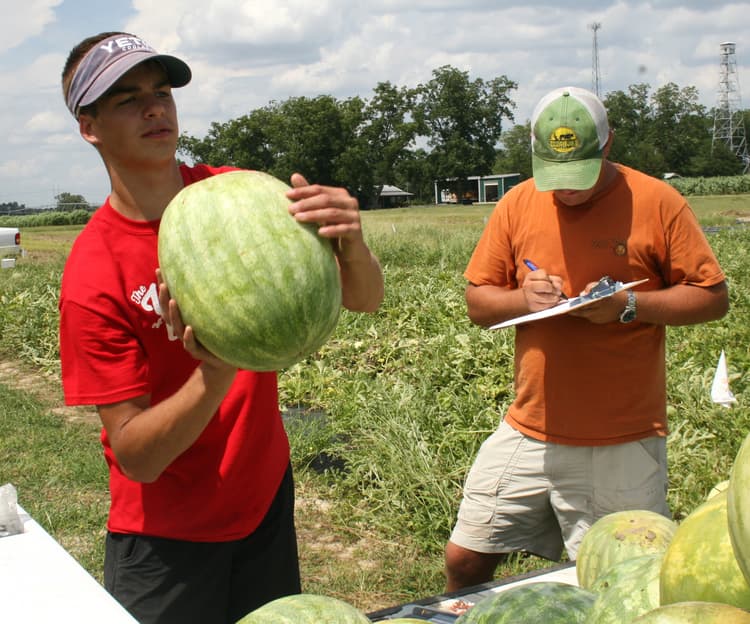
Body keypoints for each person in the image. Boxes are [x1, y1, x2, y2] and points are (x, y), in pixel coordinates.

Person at [58, 32, 384, 624]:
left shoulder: (239, 192)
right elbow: (136, 458)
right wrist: (217, 369)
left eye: (161, 92)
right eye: (128, 99)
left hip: (262, 504)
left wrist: (352, 245)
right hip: (165, 539)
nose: (155, 107)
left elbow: (364, 300)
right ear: (89, 126)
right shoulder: (93, 270)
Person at [444, 86, 729, 591]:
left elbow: (711, 297)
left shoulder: (658, 202)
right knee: (467, 556)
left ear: (609, 144)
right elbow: (478, 303)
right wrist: (521, 299)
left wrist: (630, 307)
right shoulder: (517, 203)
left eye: (580, 173)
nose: (567, 191)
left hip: (622, 437)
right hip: (530, 426)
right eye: (555, 175)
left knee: (618, 584)